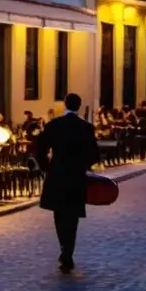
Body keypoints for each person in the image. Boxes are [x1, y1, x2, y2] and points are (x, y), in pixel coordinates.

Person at [36, 93, 100, 273]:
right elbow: (94, 154)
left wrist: (46, 166)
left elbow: (40, 146)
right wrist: (84, 165)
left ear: (65, 105)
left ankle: (64, 247)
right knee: (72, 216)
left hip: (57, 174)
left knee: (59, 214)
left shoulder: (54, 125)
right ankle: (68, 251)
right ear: (79, 106)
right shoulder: (86, 127)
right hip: (76, 176)